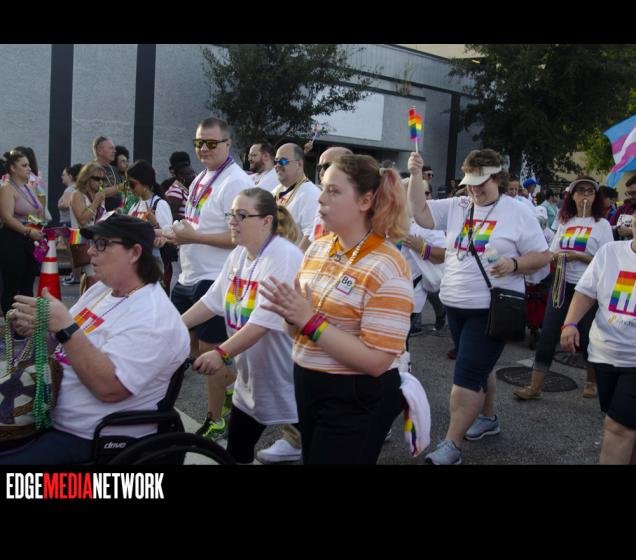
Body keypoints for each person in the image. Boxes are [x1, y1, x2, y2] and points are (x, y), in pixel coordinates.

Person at [259, 154, 413, 464]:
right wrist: (291, 313)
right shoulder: (318, 248)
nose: (321, 198)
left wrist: (308, 320)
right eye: (323, 188)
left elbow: (376, 362)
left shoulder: (388, 265)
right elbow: (296, 330)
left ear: (365, 201)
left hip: (356, 395)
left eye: (333, 191)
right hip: (308, 382)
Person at [1, 214, 190, 464]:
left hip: (88, 436)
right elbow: (62, 346)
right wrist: (39, 328)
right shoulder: (102, 289)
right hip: (45, 413)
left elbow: (109, 389)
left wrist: (65, 327)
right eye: (92, 243)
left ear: (134, 253)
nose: (90, 251)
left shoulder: (155, 319)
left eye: (101, 244)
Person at [408, 149, 551, 465]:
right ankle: (488, 418)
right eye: (470, 183)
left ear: (497, 178)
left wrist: (513, 264)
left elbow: (543, 256)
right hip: (455, 304)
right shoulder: (458, 205)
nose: (473, 189)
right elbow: (419, 212)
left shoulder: (518, 212)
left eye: (481, 183)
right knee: (479, 367)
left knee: (467, 374)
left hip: (490, 308)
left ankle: (452, 444)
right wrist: (415, 175)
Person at [181, 189, 303, 464]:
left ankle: (297, 440)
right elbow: (212, 301)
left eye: (242, 215)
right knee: (236, 451)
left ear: (266, 221)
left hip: (287, 378)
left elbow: (263, 321)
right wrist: (174, 327)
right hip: (252, 380)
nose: (232, 221)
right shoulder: (239, 254)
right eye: (231, 214)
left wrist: (221, 353)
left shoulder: (284, 256)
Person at [256, 145, 354, 464]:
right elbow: (311, 240)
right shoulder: (289, 192)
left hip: (334, 293)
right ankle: (301, 435)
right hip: (307, 284)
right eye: (321, 165)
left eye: (283, 161)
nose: (323, 171)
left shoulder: (311, 194)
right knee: (300, 360)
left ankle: (303, 435)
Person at [164, 116, 253, 441]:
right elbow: (195, 224)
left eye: (211, 143)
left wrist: (194, 238)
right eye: (199, 142)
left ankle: (215, 419)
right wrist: (169, 234)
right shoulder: (201, 178)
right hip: (189, 273)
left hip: (217, 275)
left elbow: (240, 236)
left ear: (228, 144)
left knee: (209, 348)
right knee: (183, 342)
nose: (204, 148)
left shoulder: (236, 181)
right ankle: (233, 384)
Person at [513, 176, 613, 401]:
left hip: (587, 289)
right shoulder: (565, 221)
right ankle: (535, 386)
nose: (585, 195)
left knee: (587, 337)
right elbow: (552, 250)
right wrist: (556, 256)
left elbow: (606, 260)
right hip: (561, 284)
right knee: (549, 334)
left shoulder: (602, 225)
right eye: (580, 191)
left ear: (595, 197)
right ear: (572, 196)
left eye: (589, 191)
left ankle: (591, 381)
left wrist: (578, 256)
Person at [561, 205, 636, 464]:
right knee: (626, 426)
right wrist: (569, 324)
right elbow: (586, 292)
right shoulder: (610, 252)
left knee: (618, 427)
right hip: (604, 355)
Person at [0, 150, 45, 318]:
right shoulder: (7, 188)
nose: (29, 168)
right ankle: (11, 325)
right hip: (13, 240)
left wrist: (38, 227)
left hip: (30, 240)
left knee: (28, 283)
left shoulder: (28, 187)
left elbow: (37, 210)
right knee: (12, 285)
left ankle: (26, 322)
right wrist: (28, 231)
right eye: (24, 165)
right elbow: (6, 217)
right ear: (13, 168)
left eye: (29, 165)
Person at [126, 160, 173, 280]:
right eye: (127, 184)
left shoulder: (160, 204)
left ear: (145, 184)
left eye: (132, 184)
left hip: (152, 265)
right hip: (134, 263)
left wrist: (154, 223)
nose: (129, 188)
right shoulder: (134, 206)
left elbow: (168, 235)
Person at [272, 143, 320, 250]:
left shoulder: (311, 193)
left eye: (283, 161)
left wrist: (295, 259)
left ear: (299, 164)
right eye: (276, 161)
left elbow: (311, 237)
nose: (277, 165)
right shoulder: (276, 191)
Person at [70, 162, 107, 292]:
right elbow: (82, 219)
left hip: (98, 241)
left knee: (98, 279)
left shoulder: (98, 195)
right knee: (93, 279)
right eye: (97, 178)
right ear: (86, 178)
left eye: (103, 179)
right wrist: (96, 202)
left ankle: (86, 300)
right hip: (83, 242)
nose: (100, 182)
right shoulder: (77, 195)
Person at [92, 136, 125, 211]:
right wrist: (120, 187)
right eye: (111, 148)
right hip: (99, 214)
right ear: (99, 151)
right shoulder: (91, 169)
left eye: (114, 148)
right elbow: (99, 192)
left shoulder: (115, 169)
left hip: (117, 214)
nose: (114, 151)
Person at [163, 152, 196, 221]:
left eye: (193, 173)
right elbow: (169, 215)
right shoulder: (176, 191)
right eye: (189, 174)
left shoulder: (189, 190)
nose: (194, 176)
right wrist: (190, 220)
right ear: (181, 177)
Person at [610, 175, 636, 240]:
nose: (630, 197)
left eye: (634, 193)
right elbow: (610, 227)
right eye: (628, 193)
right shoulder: (623, 209)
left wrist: (631, 232)